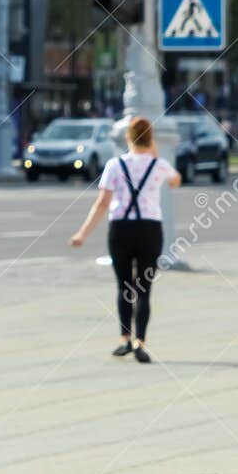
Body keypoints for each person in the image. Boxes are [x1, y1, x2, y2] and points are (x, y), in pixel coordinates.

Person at [69, 116, 182, 363]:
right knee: (144, 288)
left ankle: (125, 339)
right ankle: (141, 343)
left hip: (120, 229)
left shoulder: (115, 165)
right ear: (151, 139)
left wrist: (83, 233)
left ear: (128, 138)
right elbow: (176, 182)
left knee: (124, 286)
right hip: (150, 229)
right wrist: (154, 152)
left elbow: (102, 203)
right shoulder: (159, 165)